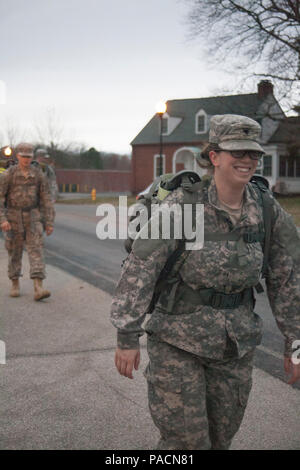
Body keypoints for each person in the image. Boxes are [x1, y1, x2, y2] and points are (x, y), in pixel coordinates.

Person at [110, 114, 300, 450]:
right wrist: (127, 333)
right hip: (177, 343)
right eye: (237, 152)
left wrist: (294, 342)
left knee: (221, 438)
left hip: (236, 346)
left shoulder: (266, 209)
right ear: (214, 156)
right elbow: (140, 268)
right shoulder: (183, 207)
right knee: (186, 443)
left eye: (253, 154)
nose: (247, 161)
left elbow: (287, 279)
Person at [0, 142, 55, 300]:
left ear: (32, 157)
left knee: (36, 250)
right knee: (14, 252)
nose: (26, 160)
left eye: (29, 157)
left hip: (33, 217)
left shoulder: (38, 175)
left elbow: (46, 200)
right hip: (13, 217)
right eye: (23, 156)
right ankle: (15, 282)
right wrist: (2, 219)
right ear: (18, 156)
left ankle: (38, 287)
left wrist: (49, 222)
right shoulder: (8, 174)